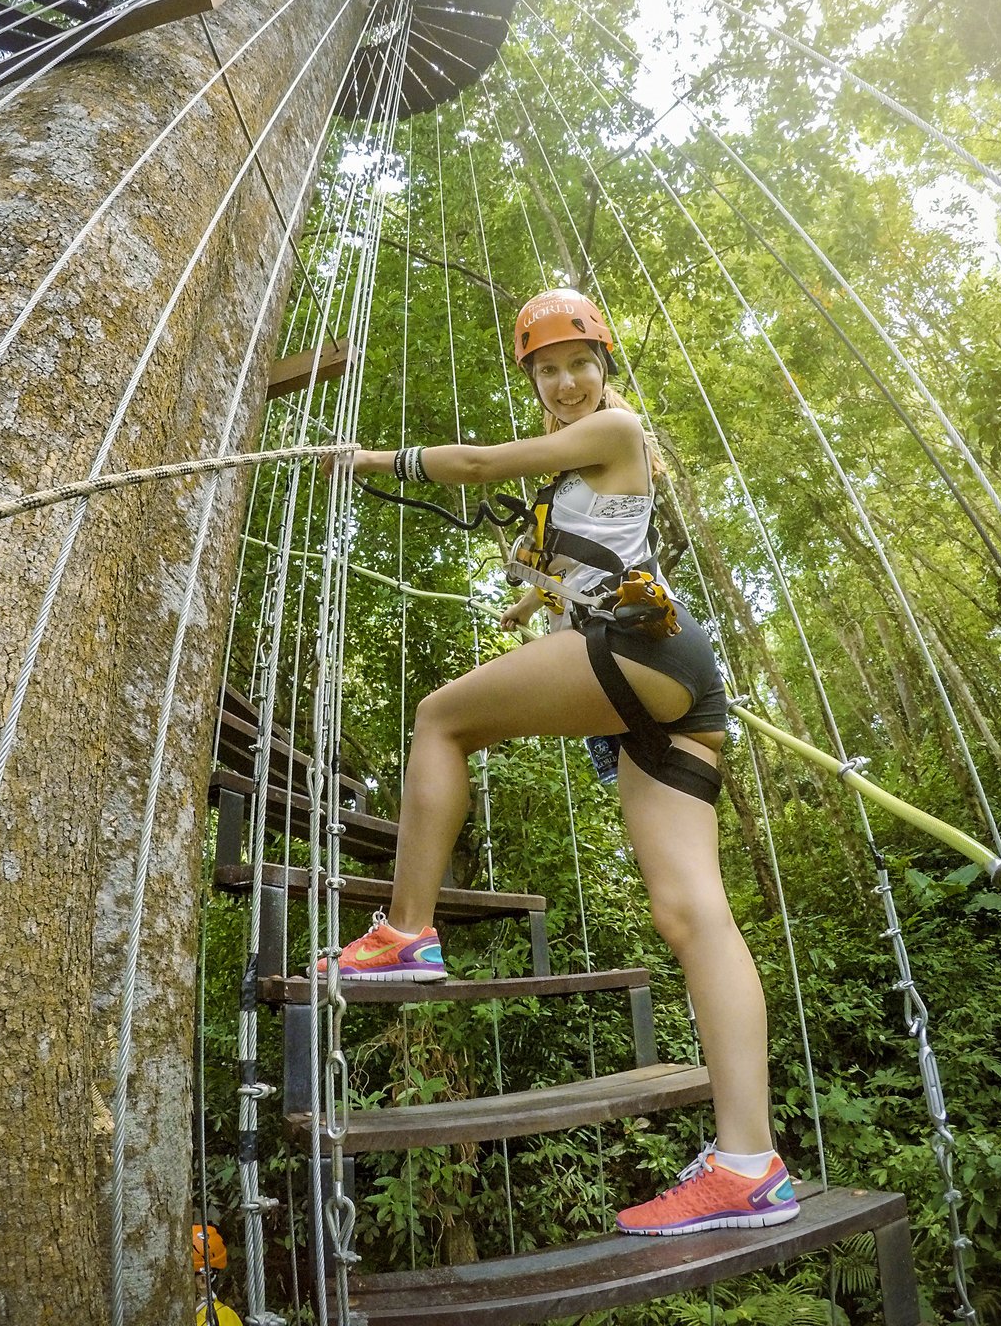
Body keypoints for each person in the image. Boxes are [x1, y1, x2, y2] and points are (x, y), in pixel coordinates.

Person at [323, 288, 798, 1236]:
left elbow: (479, 462)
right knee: (690, 912)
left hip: (645, 658)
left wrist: (374, 460)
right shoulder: (573, 484)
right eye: (549, 368)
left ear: (605, 367)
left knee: (440, 720)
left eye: (582, 362)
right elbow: (579, 569)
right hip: (666, 688)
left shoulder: (618, 430)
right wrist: (531, 606)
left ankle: (406, 933)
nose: (569, 380)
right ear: (534, 378)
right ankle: (751, 1165)